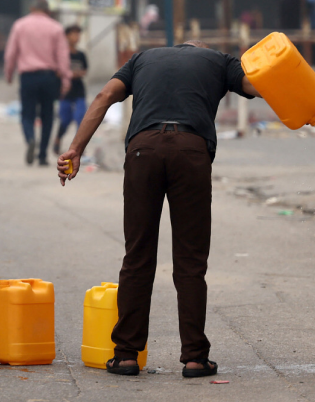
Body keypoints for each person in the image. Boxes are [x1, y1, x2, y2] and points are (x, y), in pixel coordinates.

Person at [56, 41, 263, 379]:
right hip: (191, 152)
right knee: (190, 261)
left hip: (143, 151)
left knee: (137, 256)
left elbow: (103, 98)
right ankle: (195, 357)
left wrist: (76, 149)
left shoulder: (142, 59)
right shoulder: (220, 61)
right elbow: (258, 85)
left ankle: (125, 355)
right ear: (201, 48)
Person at [4, 0, 70, 166]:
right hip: (49, 77)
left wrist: (9, 73)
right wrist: (66, 79)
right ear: (48, 11)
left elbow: (11, 52)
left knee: (27, 114)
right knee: (48, 115)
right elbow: (63, 57)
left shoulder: (20, 25)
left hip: (28, 77)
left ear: (32, 8)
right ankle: (42, 156)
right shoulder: (56, 27)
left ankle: (30, 138)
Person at [52, 25, 88, 155]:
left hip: (79, 90)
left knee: (81, 118)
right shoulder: (61, 54)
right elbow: (57, 72)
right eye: (73, 34)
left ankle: (79, 146)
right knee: (65, 119)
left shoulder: (81, 55)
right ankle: (57, 139)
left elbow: (84, 70)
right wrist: (68, 74)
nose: (76, 37)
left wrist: (76, 74)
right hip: (65, 91)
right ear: (66, 36)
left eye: (78, 34)